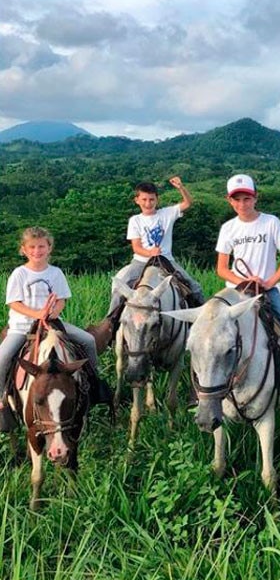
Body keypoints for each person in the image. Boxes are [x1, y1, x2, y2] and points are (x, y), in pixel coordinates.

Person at [215, 173, 280, 410]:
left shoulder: (271, 222)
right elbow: (221, 269)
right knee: (207, 329)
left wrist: (269, 282)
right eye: (236, 200)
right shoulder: (228, 228)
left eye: (246, 198)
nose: (241, 204)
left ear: (255, 197)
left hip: (267, 290)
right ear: (229, 201)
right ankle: (200, 390)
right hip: (236, 292)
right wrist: (243, 281)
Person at [0, 227, 106, 422]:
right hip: (22, 326)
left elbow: (62, 299)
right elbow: (14, 303)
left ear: (49, 248)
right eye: (32, 247)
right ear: (24, 249)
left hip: (52, 323)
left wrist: (54, 311)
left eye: (41, 246)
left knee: (88, 340)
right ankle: (2, 398)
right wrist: (37, 314)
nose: (36, 251)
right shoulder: (19, 274)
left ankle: (93, 384)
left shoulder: (55, 273)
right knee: (2, 356)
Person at [107, 176, 204, 314]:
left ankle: (202, 320)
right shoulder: (135, 220)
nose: (148, 203)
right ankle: (110, 323)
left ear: (157, 199)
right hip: (141, 261)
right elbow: (137, 247)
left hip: (165, 260)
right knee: (119, 287)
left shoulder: (167, 214)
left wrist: (181, 187)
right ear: (137, 200)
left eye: (151, 199)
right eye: (144, 199)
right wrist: (150, 253)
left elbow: (188, 203)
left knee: (195, 288)